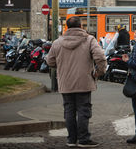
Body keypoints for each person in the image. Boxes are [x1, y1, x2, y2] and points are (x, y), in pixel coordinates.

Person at [46, 16, 107, 148]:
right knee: (83, 110)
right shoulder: (89, 39)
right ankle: (84, 139)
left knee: (69, 110)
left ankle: (71, 139)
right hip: (84, 82)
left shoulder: (57, 42)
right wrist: (98, 72)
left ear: (67, 27)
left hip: (65, 82)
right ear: (81, 26)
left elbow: (49, 61)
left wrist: (62, 67)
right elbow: (101, 58)